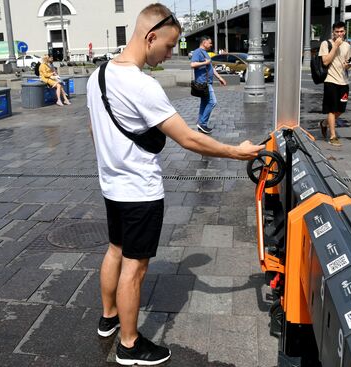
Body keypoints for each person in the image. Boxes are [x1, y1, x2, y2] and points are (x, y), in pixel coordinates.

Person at [86, 3, 264, 365]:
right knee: (134, 267)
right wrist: (237, 151)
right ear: (150, 36)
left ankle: (108, 318)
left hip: (111, 186)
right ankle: (130, 345)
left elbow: (95, 130)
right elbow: (189, 139)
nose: (170, 54)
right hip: (139, 192)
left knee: (114, 250)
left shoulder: (98, 76)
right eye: (168, 46)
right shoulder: (141, 84)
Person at [318, 21, 351, 147]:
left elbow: (348, 62)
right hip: (330, 80)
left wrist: (348, 65)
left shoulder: (347, 46)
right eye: (337, 31)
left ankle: (324, 123)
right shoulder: (326, 44)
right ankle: (333, 136)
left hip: (344, 81)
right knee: (332, 109)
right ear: (333, 32)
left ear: (345, 32)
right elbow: (325, 61)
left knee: (341, 109)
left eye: (341, 31)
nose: (339, 34)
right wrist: (335, 46)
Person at [190, 35, 226, 134]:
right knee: (212, 102)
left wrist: (220, 78)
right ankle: (202, 123)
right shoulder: (198, 52)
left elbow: (211, 67)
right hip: (203, 83)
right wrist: (204, 63)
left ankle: (201, 124)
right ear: (204, 42)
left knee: (204, 103)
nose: (211, 44)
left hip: (207, 82)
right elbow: (192, 64)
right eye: (210, 43)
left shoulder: (205, 53)